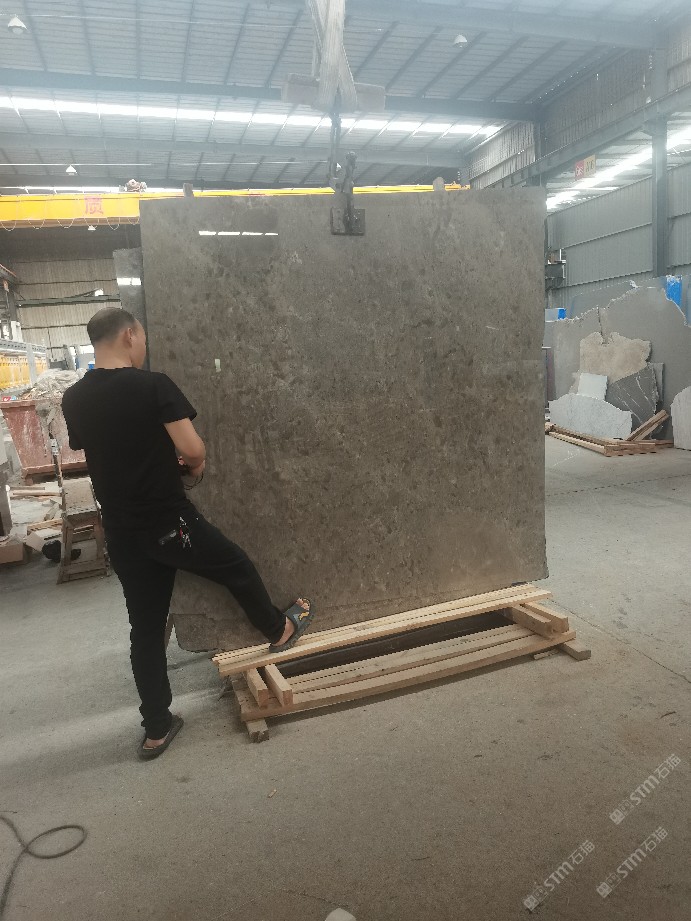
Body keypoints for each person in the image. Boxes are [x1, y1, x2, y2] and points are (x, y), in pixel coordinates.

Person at [62, 308, 314, 760]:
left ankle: (156, 728)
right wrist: (194, 466)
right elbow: (192, 448)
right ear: (129, 335)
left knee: (145, 628)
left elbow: (101, 450)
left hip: (122, 532)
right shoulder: (153, 386)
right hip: (169, 523)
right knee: (234, 565)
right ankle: (278, 628)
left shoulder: (74, 398)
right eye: (141, 337)